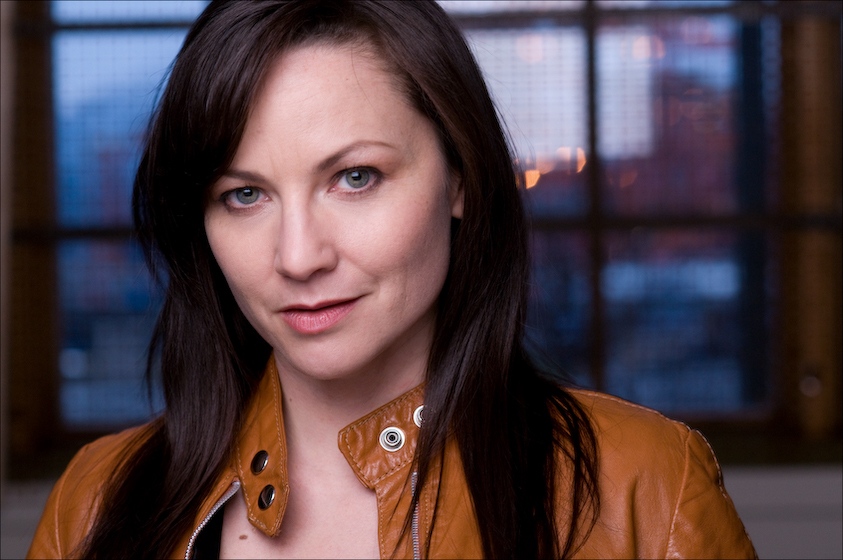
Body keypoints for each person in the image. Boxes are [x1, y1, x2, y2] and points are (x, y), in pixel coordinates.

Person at [27, 1, 756, 558]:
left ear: (460, 177)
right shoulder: (94, 503)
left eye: (354, 177)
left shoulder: (645, 493)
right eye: (244, 194)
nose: (298, 256)